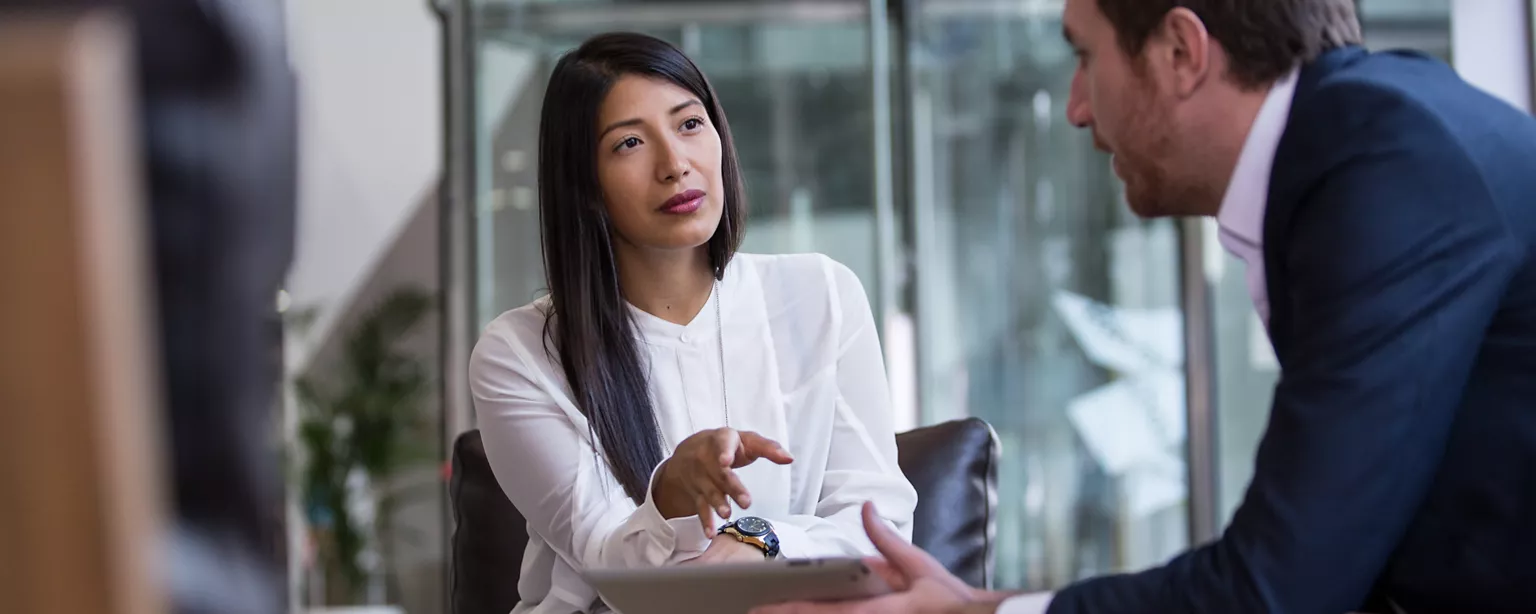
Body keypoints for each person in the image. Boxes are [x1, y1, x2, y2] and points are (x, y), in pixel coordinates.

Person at [756, 0, 1536, 613]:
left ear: (1179, 52)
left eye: (1084, 57)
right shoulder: (1358, 135)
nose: (1076, 108)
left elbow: (1279, 587)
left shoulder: (1382, 162)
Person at [467, 32, 919, 614]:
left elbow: (877, 524)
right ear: (584, 183)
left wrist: (759, 541)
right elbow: (607, 564)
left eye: (688, 124)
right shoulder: (521, 353)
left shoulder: (822, 295)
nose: (675, 164)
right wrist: (668, 500)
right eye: (629, 142)